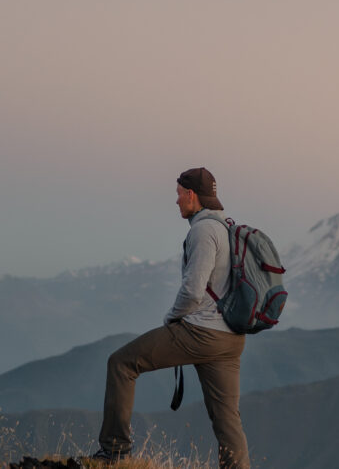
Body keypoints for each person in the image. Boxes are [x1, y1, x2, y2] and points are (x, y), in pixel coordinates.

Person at [90, 167, 250, 468]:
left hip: (202, 333)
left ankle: (114, 451)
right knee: (227, 418)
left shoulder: (203, 231)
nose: (176, 201)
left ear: (191, 195)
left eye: (178, 195)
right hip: (232, 339)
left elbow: (192, 290)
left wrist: (171, 318)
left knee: (121, 363)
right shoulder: (229, 227)